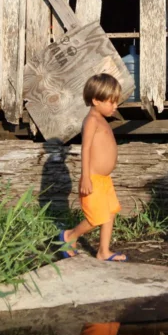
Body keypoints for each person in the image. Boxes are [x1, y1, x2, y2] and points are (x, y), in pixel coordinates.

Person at [58, 73, 127, 262]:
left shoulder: (103, 119)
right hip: (94, 179)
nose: (115, 106)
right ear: (96, 100)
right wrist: (86, 177)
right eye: (111, 102)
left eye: (116, 102)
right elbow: (86, 149)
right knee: (95, 217)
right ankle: (70, 235)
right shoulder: (91, 120)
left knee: (110, 213)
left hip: (105, 180)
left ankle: (103, 251)